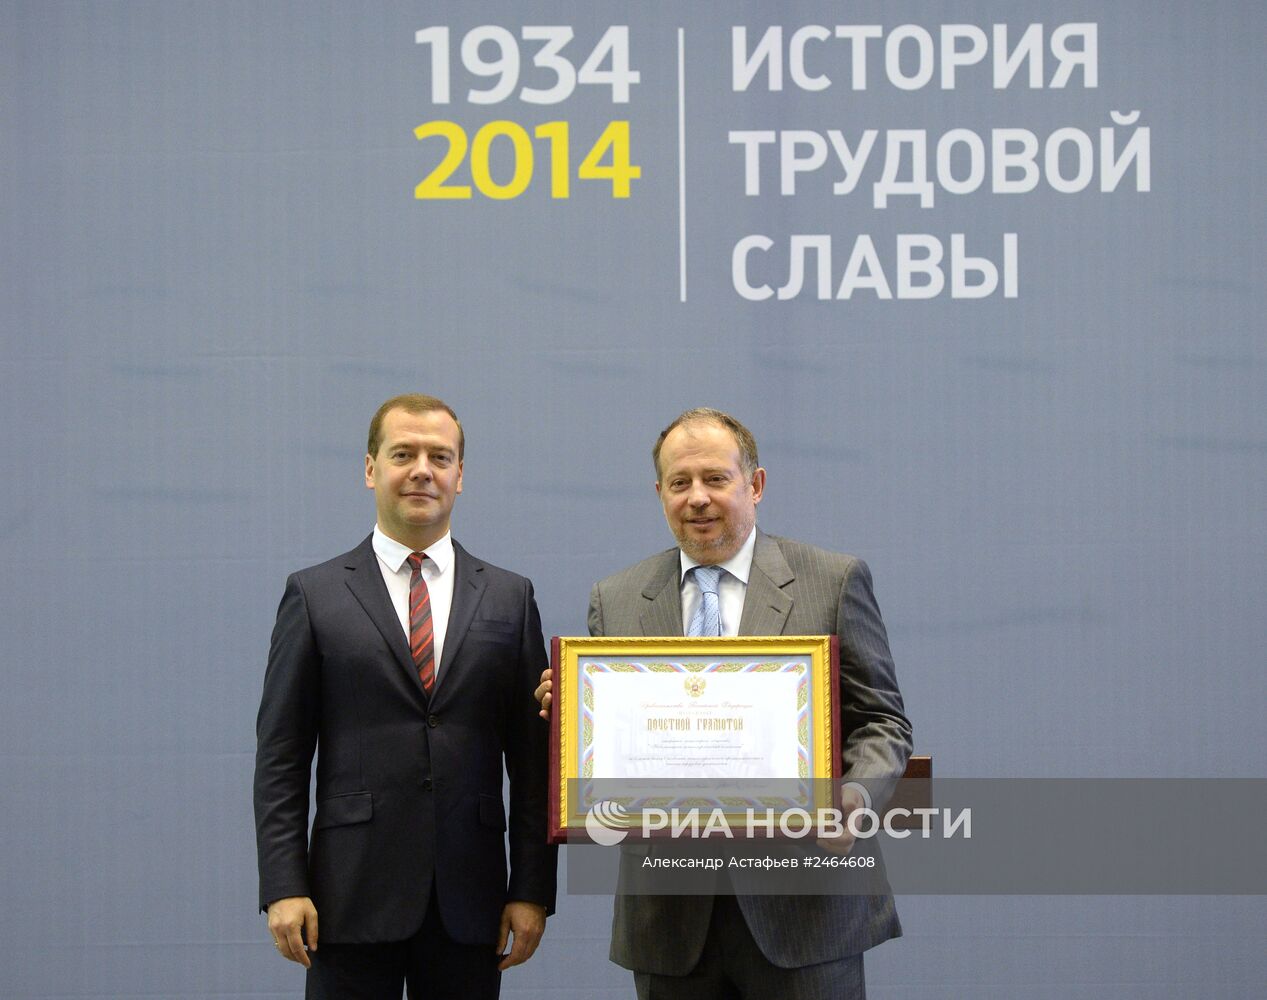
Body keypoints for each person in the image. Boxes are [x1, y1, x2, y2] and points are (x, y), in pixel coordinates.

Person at [537, 407, 911, 1000]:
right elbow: (607, 755)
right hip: (669, 922)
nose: (698, 499)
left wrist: (855, 795)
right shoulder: (616, 599)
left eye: (716, 478)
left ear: (754, 485)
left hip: (804, 914)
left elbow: (883, 722)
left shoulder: (833, 580)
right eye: (680, 483)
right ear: (660, 493)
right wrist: (569, 719)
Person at [254, 394, 557, 999]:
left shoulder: (509, 597)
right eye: (404, 454)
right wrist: (283, 885)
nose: (423, 469)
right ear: (371, 469)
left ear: (460, 476)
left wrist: (531, 890)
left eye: (440, 456)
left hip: (470, 898)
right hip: (346, 896)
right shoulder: (313, 595)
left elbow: (533, 762)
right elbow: (281, 756)